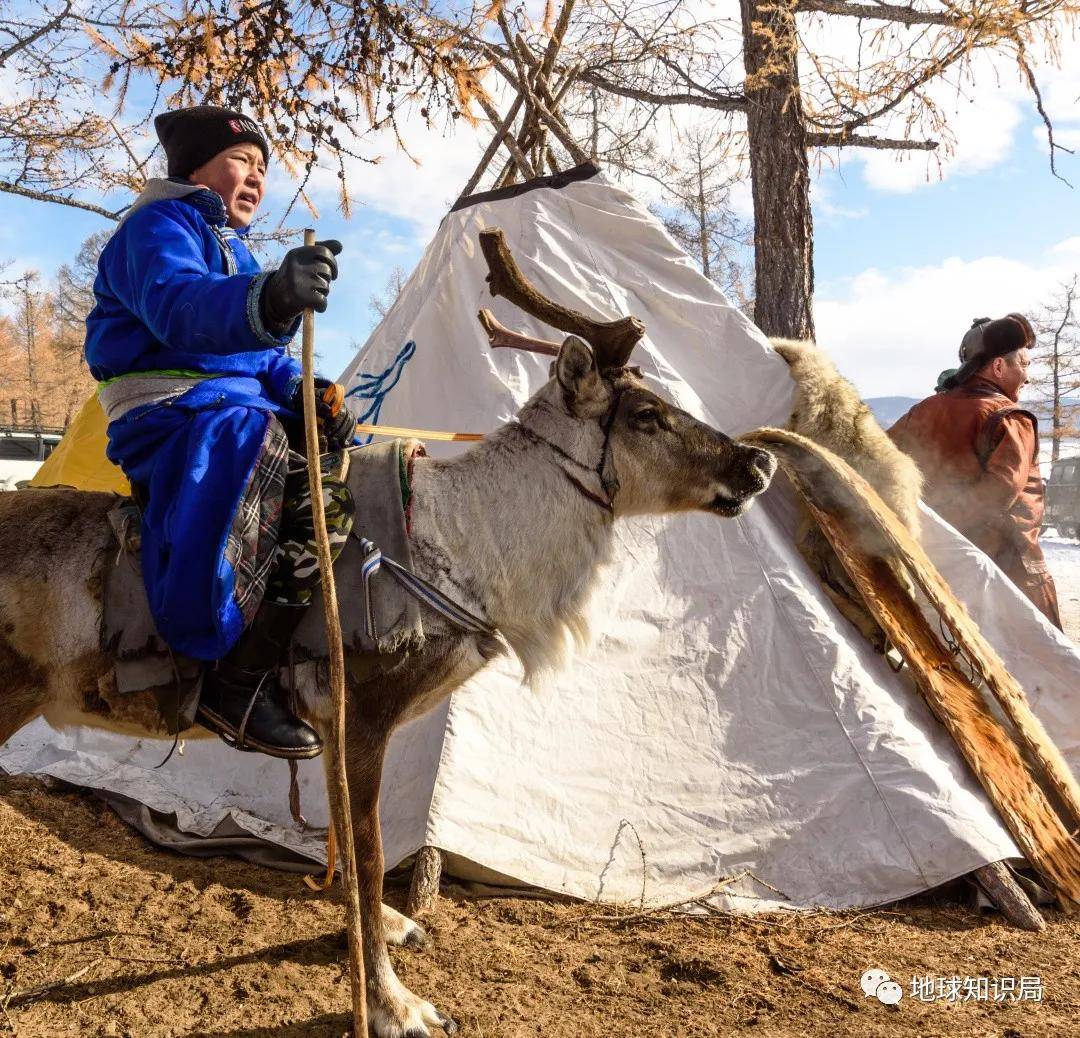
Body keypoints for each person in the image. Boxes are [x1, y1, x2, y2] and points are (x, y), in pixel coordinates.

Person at [85, 104, 358, 758]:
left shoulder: (237, 252)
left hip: (227, 406)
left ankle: (250, 674)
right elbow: (181, 307)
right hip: (171, 415)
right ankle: (202, 642)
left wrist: (309, 396)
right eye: (243, 159)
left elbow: (262, 361)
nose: (258, 176)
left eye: (264, 167)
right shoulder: (155, 229)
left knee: (333, 498)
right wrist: (270, 298)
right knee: (251, 437)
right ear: (194, 167)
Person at [890, 314, 1063, 630]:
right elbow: (998, 495)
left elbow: (882, 461)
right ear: (999, 367)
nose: (1027, 376)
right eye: (1023, 364)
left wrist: (935, 530)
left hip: (936, 568)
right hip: (1009, 575)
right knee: (1040, 673)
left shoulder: (921, 412)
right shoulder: (1010, 418)